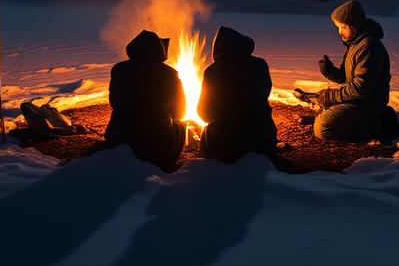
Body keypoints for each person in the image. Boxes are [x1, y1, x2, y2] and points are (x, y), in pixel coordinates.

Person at [312, 0, 397, 141]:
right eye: (337, 27)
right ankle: (364, 119)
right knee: (325, 110)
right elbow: (347, 78)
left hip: (368, 102)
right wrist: (329, 71)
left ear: (354, 25)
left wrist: (330, 97)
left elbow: (361, 88)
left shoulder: (369, 47)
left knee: (323, 128)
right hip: (357, 99)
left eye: (343, 27)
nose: (339, 32)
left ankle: (380, 125)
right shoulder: (354, 43)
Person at [105, 29, 186, 171]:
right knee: (181, 125)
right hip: (156, 143)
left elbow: (114, 102)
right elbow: (180, 111)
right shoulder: (169, 73)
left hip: (118, 137)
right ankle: (167, 161)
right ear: (159, 50)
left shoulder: (118, 69)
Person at [198, 25, 278, 163]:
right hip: (263, 139)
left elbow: (204, 113)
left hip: (226, 145)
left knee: (207, 135)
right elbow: (265, 92)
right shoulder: (260, 65)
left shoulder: (212, 71)